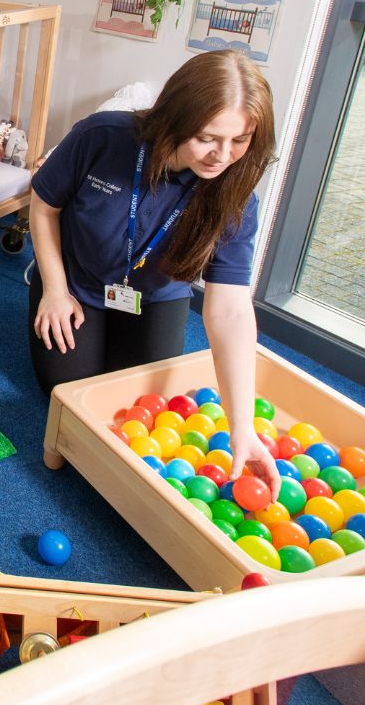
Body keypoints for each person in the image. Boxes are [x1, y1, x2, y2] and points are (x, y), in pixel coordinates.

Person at [28, 49, 280, 487]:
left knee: (138, 409)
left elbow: (231, 311)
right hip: (75, 282)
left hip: (155, 298)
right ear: (174, 118)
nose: (222, 156)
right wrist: (54, 288)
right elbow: (44, 206)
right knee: (68, 395)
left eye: (240, 141)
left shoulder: (237, 195)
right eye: (207, 138)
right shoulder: (102, 135)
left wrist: (243, 428)